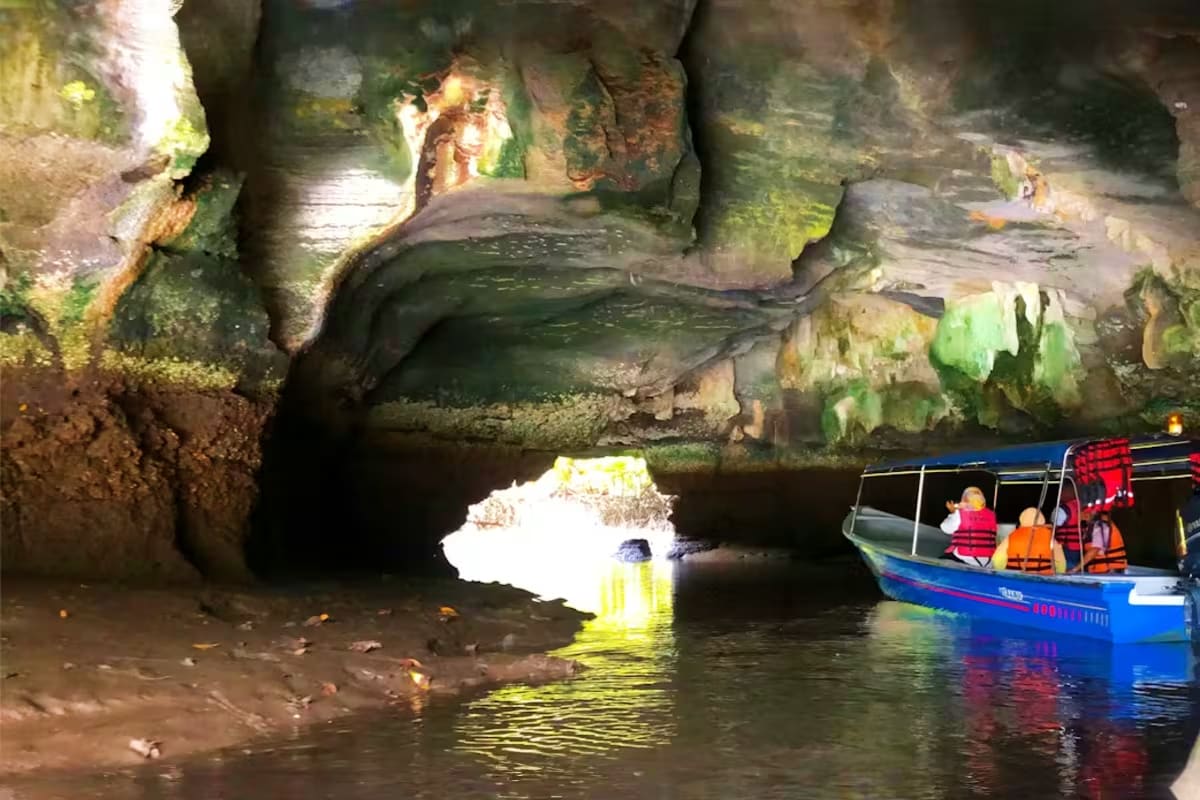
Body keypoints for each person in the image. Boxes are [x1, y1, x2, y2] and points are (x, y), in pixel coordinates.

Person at [992, 508, 1066, 574]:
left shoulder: (1012, 536)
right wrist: (1058, 574)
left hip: (1015, 578)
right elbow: (1061, 563)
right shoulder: (1050, 537)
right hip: (1043, 579)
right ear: (1042, 519)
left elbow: (997, 559)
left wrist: (1004, 573)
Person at [939, 486, 997, 566]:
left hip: (964, 558)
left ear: (965, 499)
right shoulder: (991, 515)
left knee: (939, 564)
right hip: (988, 561)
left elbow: (945, 528)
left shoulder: (960, 513)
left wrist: (953, 512)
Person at [1052, 483, 1084, 571]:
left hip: (1065, 548)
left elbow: (1054, 526)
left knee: (1064, 571)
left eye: (1061, 491)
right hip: (1079, 548)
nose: (1060, 494)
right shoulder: (1082, 507)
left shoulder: (1063, 508)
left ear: (1068, 492)